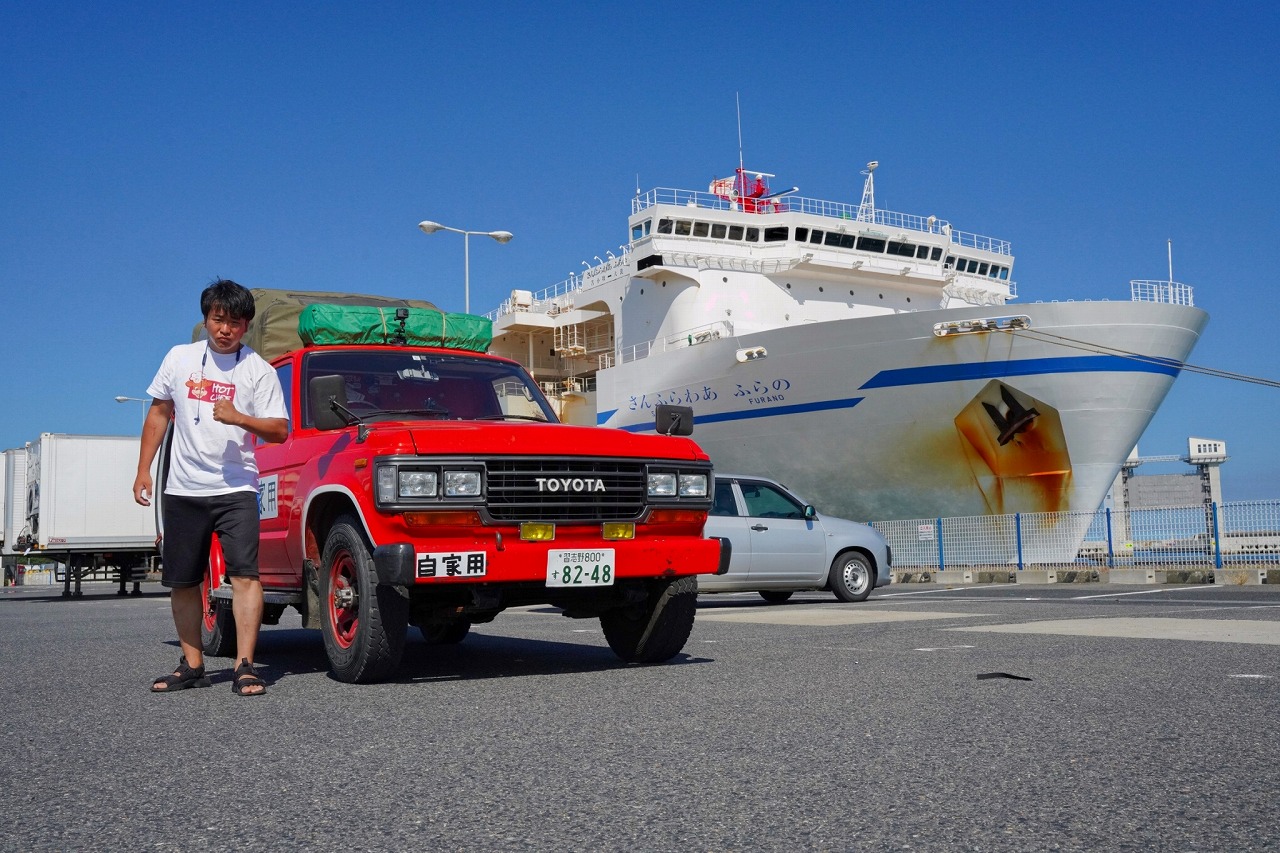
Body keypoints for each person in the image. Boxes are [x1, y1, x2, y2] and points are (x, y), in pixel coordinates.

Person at [133, 279, 288, 696]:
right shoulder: (179, 358)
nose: (225, 329)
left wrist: (241, 418)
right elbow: (159, 415)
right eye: (218, 319)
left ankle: (245, 665)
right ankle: (193, 664)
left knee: (244, 575)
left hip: (236, 488)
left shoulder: (258, 369)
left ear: (246, 326)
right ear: (205, 320)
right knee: (183, 581)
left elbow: (279, 430)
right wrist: (144, 469)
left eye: (235, 323)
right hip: (183, 488)